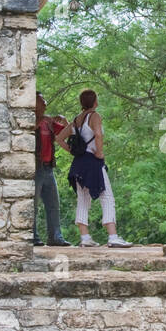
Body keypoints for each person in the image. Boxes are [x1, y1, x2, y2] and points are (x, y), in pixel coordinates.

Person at [66, 89, 132, 248]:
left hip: (78, 163)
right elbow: (98, 134)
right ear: (94, 101)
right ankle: (113, 236)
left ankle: (85, 237)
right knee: (107, 196)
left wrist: (75, 151)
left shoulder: (76, 119)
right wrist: (100, 153)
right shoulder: (94, 116)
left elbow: (59, 138)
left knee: (83, 199)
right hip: (92, 162)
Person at [32, 93, 72, 247]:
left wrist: (65, 120)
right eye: (41, 101)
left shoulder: (48, 122)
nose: (45, 103)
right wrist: (39, 120)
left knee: (53, 204)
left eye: (44, 100)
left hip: (48, 168)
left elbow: (68, 132)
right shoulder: (29, 119)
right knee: (33, 205)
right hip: (35, 169)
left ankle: (55, 237)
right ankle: (33, 237)